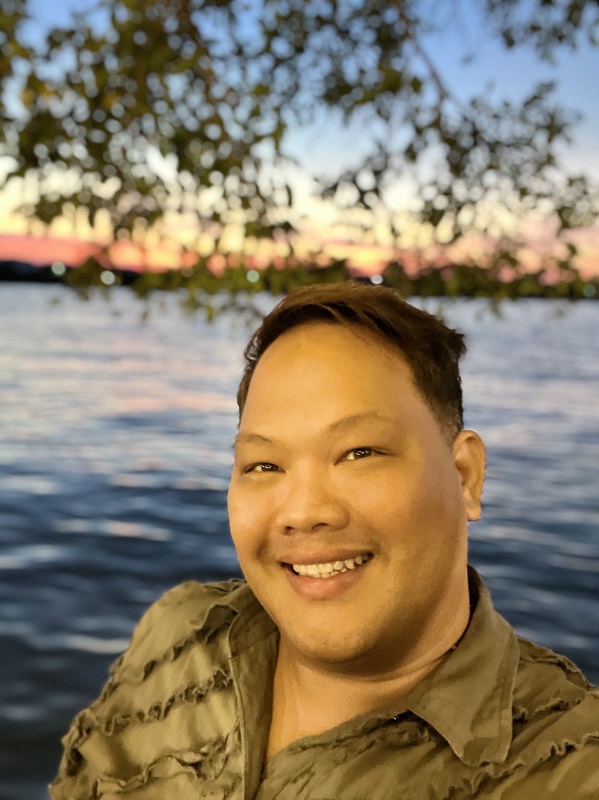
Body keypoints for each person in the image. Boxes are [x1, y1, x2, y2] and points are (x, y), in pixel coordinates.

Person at [50, 281, 598, 799]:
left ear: (464, 477)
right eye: (264, 465)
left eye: (360, 453)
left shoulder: (567, 763)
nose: (304, 513)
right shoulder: (177, 636)